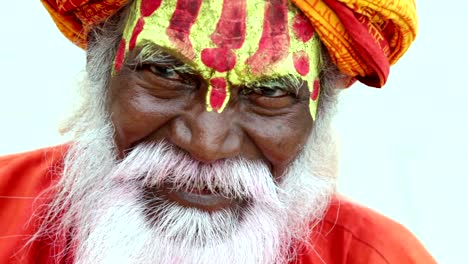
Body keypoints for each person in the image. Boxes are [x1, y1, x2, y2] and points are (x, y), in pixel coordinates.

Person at [0, 0, 436, 263]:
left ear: (322, 108)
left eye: (268, 91)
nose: (206, 144)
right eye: (165, 71)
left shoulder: (377, 259)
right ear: (100, 61)